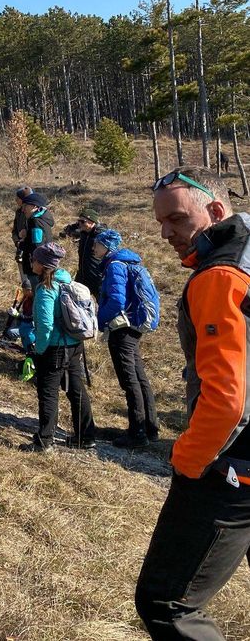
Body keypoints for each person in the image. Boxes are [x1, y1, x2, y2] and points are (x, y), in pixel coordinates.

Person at [136, 167, 250, 639]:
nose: (167, 234)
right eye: (161, 222)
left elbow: (228, 400)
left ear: (216, 212)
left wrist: (188, 458)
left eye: (178, 220)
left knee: (167, 602)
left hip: (230, 468)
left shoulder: (219, 277)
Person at [19, 242, 96, 452]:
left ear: (42, 264)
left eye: (34, 259)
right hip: (74, 345)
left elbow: (45, 326)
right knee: (76, 389)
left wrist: (39, 349)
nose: (31, 262)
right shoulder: (67, 280)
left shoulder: (46, 289)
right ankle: (86, 436)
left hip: (54, 348)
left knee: (48, 393)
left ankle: (44, 441)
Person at [93, 229, 160, 448]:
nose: (94, 248)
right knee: (139, 376)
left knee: (128, 379)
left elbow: (116, 301)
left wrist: (99, 320)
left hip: (122, 327)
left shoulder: (114, 266)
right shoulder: (131, 263)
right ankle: (151, 428)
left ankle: (137, 433)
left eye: (98, 244)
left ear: (107, 247)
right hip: (135, 326)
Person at [19, 192, 54, 290]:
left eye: (25, 206)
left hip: (36, 269)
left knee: (37, 294)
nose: (22, 210)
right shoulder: (42, 220)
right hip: (43, 267)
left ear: (34, 207)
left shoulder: (36, 223)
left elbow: (37, 247)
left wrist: (22, 242)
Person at [74, 208, 106, 297]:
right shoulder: (84, 233)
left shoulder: (101, 236)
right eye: (78, 221)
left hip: (97, 278)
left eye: (82, 221)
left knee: (102, 305)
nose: (80, 224)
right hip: (83, 275)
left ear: (92, 222)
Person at [11, 186, 32, 258]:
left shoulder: (33, 214)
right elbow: (14, 230)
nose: (16, 200)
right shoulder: (18, 212)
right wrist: (17, 242)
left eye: (18, 198)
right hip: (20, 248)